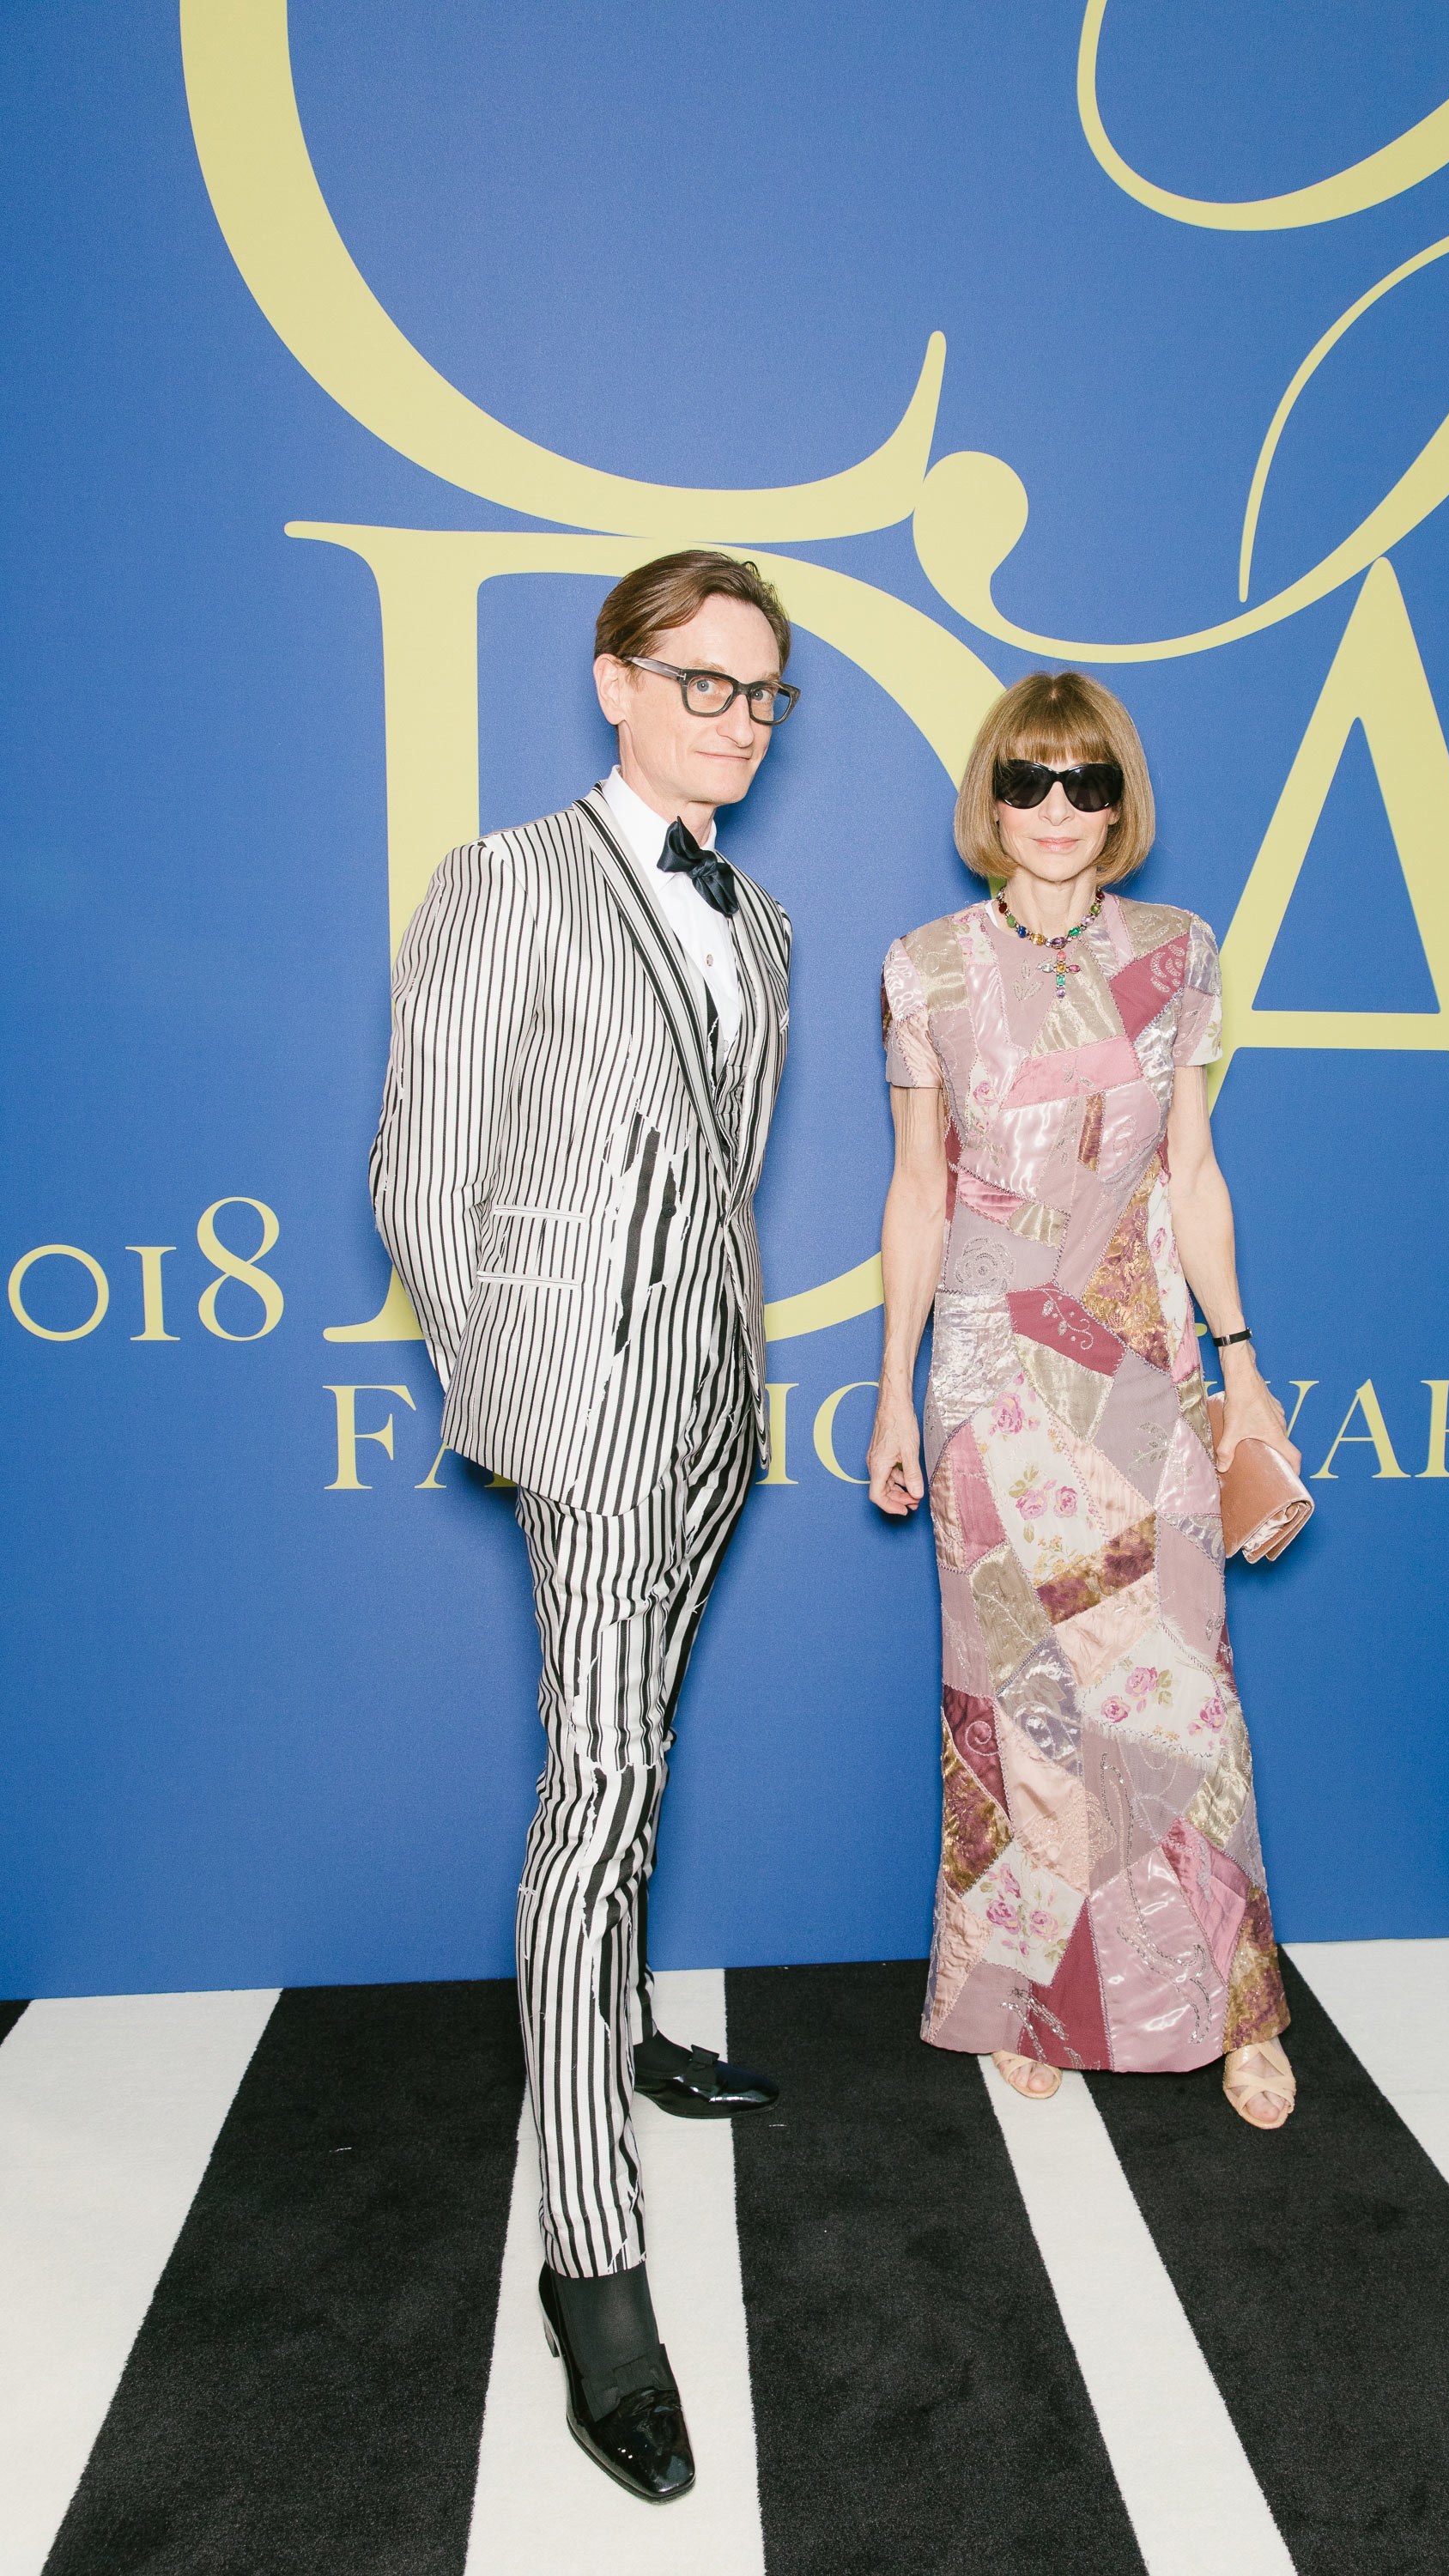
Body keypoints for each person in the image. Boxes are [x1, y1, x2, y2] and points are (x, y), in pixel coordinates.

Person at [371, 550, 797, 2501]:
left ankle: (618, 2025)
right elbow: (421, 1171)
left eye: (762, 694)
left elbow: (724, 1181)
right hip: (591, 1415)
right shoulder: (508, 880)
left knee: (638, 1759)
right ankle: (592, 2265)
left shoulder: (759, 924)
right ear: (615, 682)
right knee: (600, 1791)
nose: (736, 721)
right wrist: (535, 1397)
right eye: (702, 682)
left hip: (713, 1409)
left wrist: (703, 1379)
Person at [867, 671, 1298, 2128]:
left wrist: (1243, 1371)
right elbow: (917, 1197)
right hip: (991, 1378)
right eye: (1030, 781)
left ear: (1120, 805)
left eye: (1087, 783)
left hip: (1140, 1370)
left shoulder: (1176, 952)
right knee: (1021, 1704)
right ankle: (1028, 1995)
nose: (1058, 809)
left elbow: (1195, 1171)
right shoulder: (926, 967)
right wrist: (892, 1396)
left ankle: (1232, 2008)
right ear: (991, 801)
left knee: (1182, 1696)